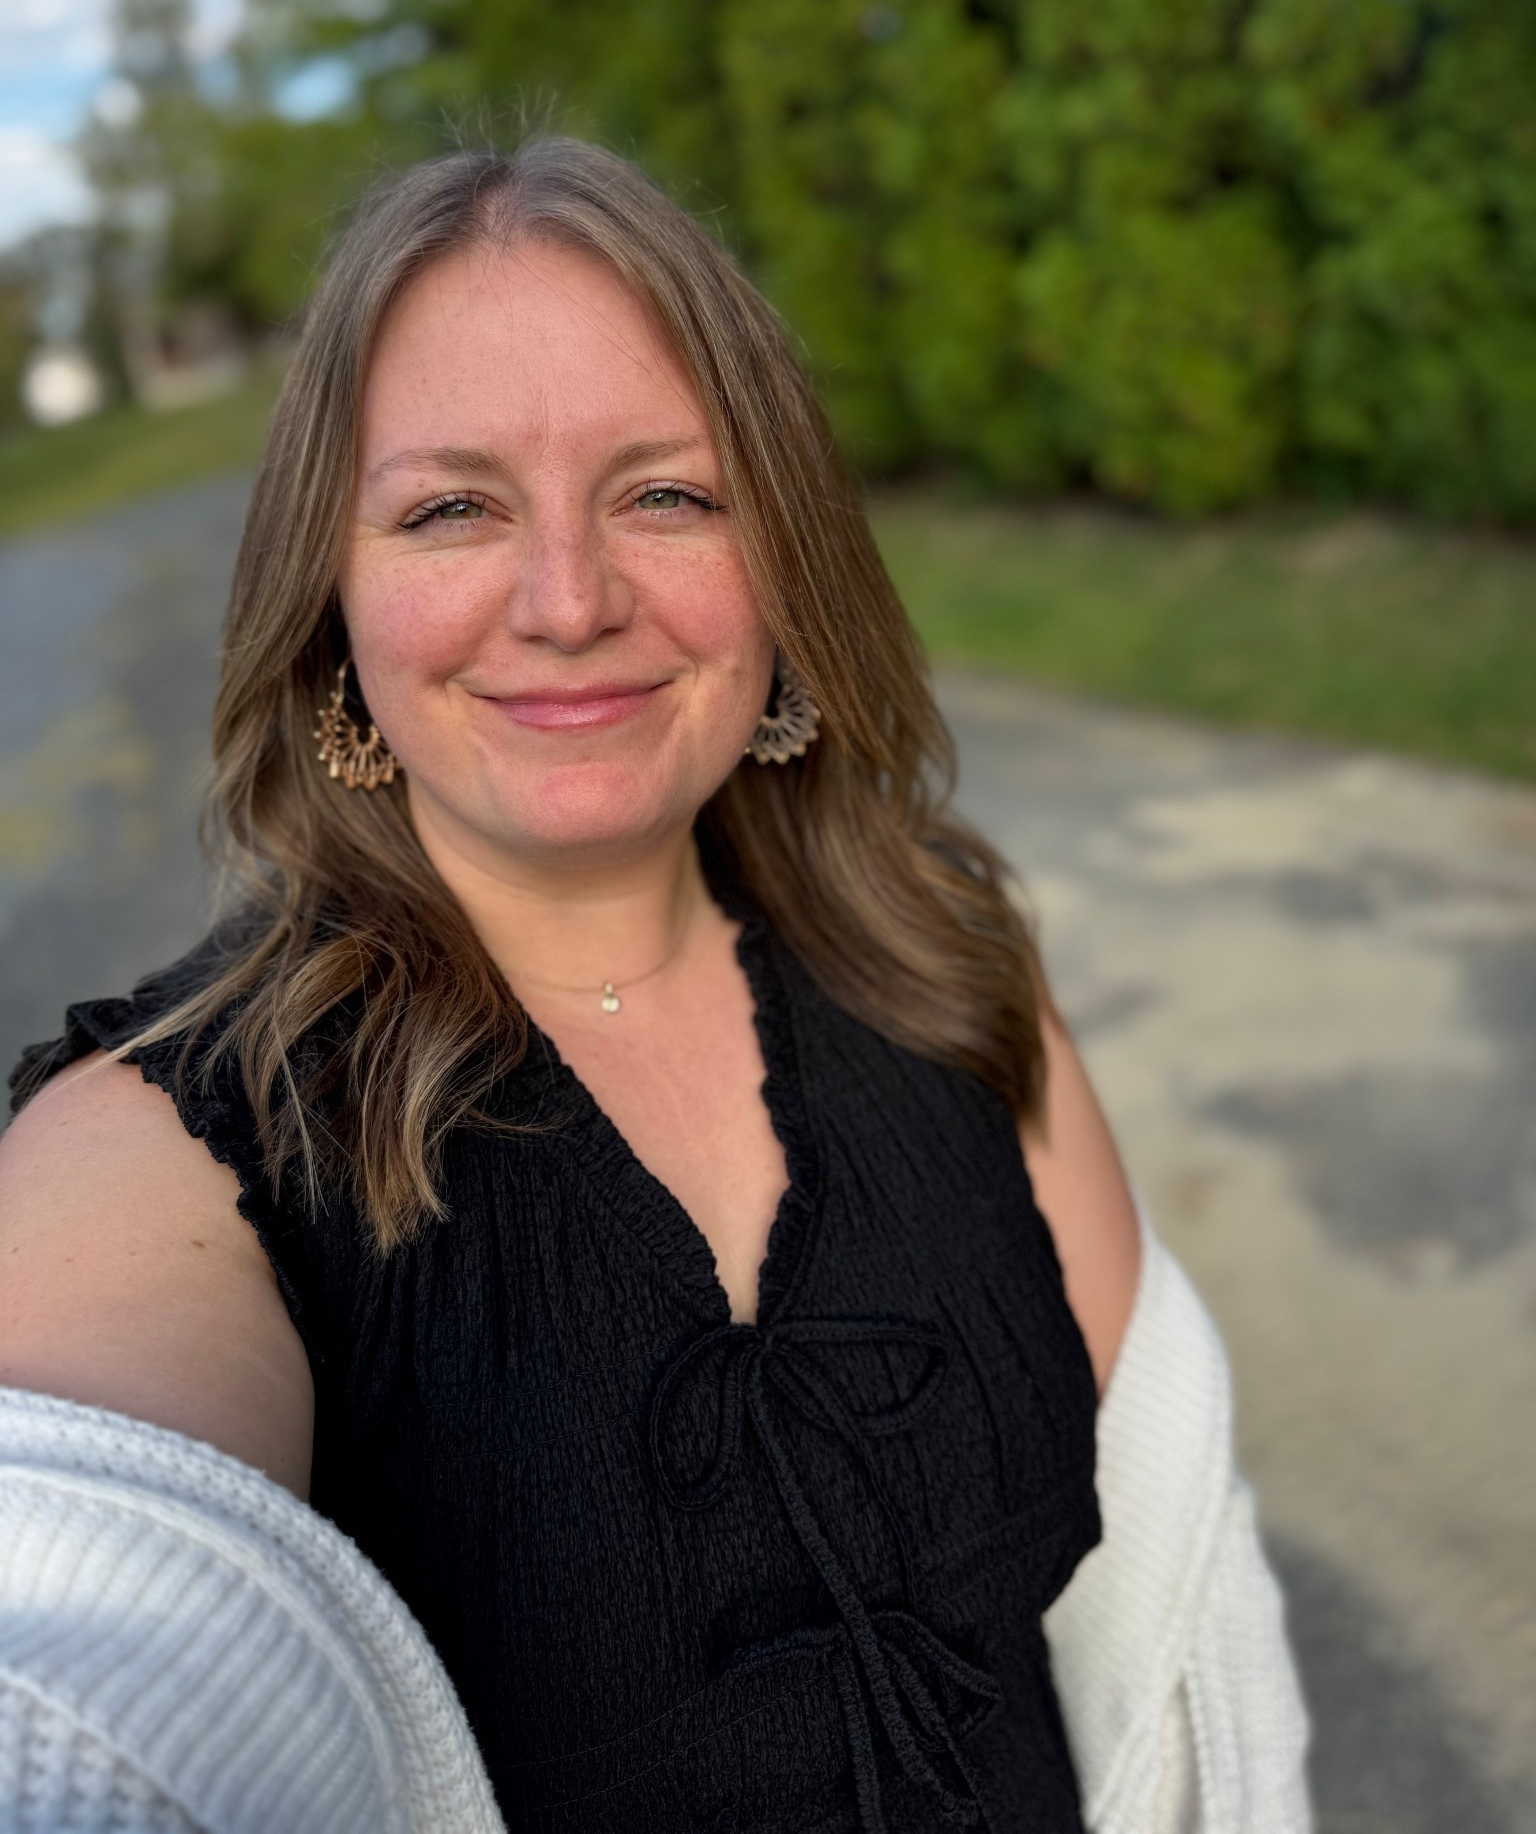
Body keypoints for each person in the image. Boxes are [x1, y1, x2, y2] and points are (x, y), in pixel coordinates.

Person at [0, 136, 1309, 1833]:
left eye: (668, 493)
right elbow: (81, 1634)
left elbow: (1167, 1588)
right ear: (331, 605)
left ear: (785, 563)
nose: (569, 601)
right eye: (453, 506)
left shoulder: (951, 968)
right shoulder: (159, 1168)